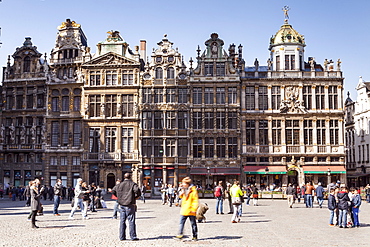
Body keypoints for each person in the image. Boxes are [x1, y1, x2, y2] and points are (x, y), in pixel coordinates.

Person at [112, 173, 141, 241]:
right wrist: (135, 197)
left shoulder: (120, 184)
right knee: (131, 220)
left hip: (122, 204)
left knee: (122, 221)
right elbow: (138, 191)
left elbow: (113, 190)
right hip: (130, 204)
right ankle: (133, 236)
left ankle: (122, 236)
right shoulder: (132, 184)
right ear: (130, 177)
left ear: (124, 177)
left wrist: (119, 197)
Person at [175, 177, 198, 241]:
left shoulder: (193, 191)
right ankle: (180, 234)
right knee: (181, 222)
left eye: (183, 183)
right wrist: (181, 193)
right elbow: (181, 197)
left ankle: (195, 236)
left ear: (187, 184)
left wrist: (194, 209)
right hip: (184, 209)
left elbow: (195, 201)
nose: (182, 184)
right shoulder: (184, 190)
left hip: (191, 210)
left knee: (193, 223)